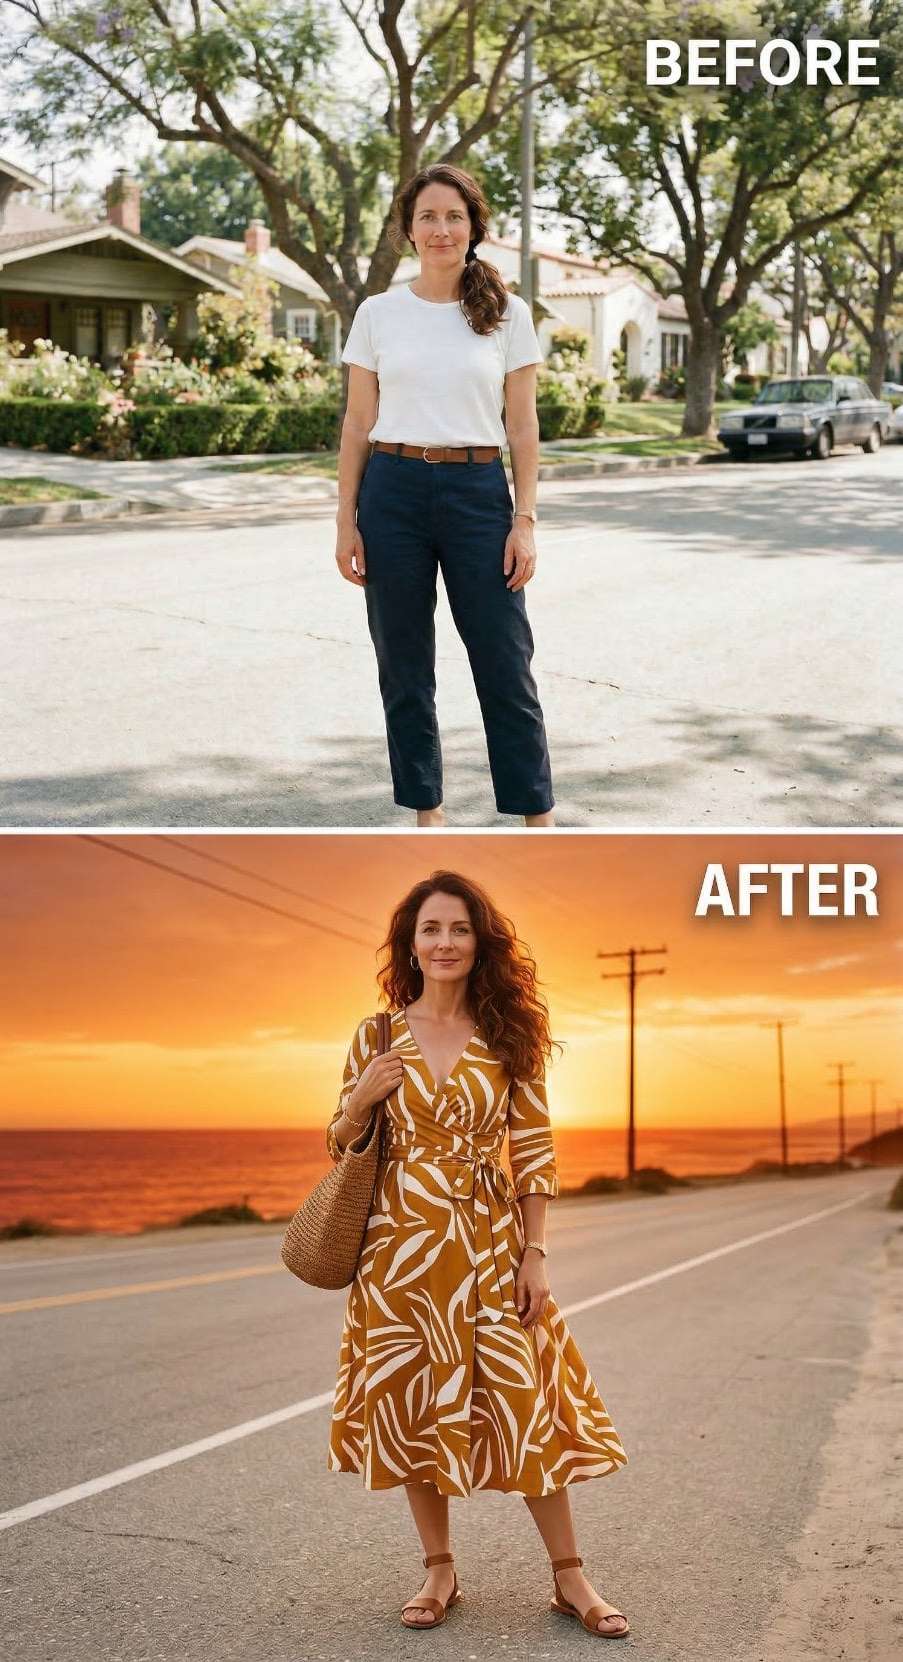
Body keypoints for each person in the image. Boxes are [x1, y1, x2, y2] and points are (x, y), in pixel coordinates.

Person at [326, 871, 629, 1636]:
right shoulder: (376, 1035)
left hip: (489, 1243)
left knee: (524, 1402)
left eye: (459, 928)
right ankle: (439, 1572)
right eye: (431, 929)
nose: (445, 942)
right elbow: (339, 1142)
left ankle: (571, 1579)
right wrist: (362, 1098)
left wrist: (537, 1252)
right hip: (396, 1249)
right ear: (411, 943)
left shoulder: (508, 1038)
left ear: (479, 941)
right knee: (412, 1405)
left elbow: (533, 1150)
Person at [334, 163, 555, 829]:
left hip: (477, 491)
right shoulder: (378, 313)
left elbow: (522, 425)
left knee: (504, 660)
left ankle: (535, 815)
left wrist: (525, 521)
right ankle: (427, 814)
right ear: (407, 230)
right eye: (427, 216)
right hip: (393, 494)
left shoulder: (507, 314)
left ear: (473, 227)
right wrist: (346, 520)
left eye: (454, 216)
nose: (441, 229)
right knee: (404, 666)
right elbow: (357, 424)